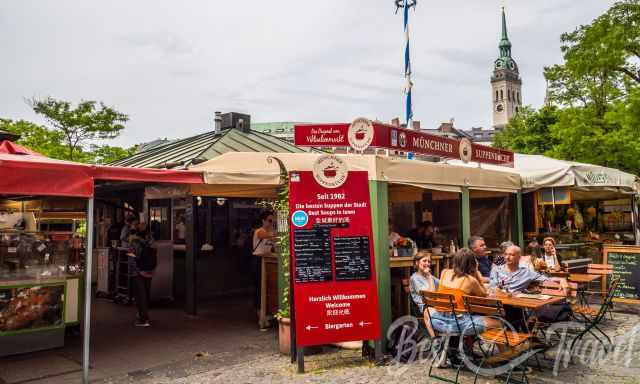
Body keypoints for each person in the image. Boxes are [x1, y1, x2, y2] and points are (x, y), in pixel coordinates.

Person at [426, 248, 502, 338]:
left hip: (438, 321)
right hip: (459, 325)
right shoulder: (471, 280)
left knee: (428, 311)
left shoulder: (444, 272)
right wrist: (476, 272)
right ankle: (504, 351)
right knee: (498, 323)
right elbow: (484, 295)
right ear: (472, 264)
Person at [129, 222, 156, 327]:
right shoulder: (151, 240)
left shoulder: (133, 241)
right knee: (146, 295)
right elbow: (155, 254)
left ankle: (143, 319)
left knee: (140, 296)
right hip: (149, 271)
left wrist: (136, 269)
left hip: (137, 272)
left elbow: (131, 256)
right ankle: (143, 314)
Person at [252, 211, 276, 325]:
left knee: (267, 288)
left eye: (273, 220)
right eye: (270, 220)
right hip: (258, 261)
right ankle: (260, 316)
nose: (271, 223)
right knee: (260, 288)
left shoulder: (271, 233)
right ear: (263, 220)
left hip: (267, 261)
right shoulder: (260, 231)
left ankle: (266, 314)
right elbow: (265, 235)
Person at [409, 253, 439, 323]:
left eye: (429, 261)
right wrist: (429, 277)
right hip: (425, 308)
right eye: (424, 261)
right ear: (417, 263)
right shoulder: (415, 278)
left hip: (434, 305)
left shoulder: (428, 276)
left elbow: (442, 284)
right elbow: (429, 297)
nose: (427, 263)